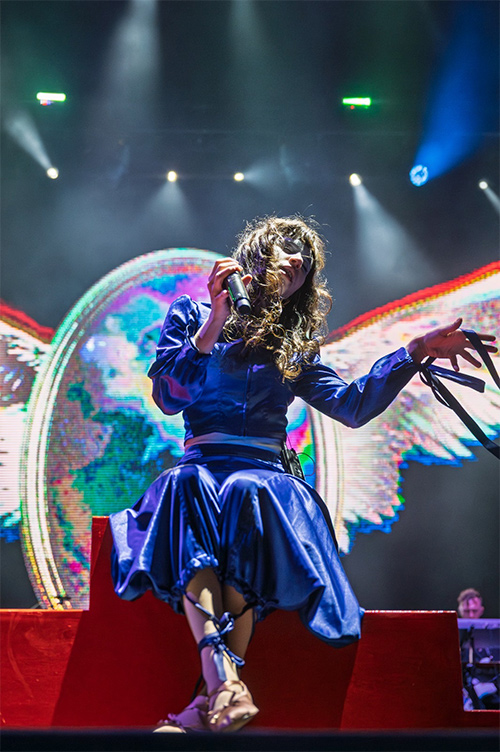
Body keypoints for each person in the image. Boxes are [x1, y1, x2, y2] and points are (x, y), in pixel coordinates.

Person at [109, 215, 497, 733]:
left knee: (247, 492)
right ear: (256, 254)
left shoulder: (295, 345)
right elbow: (169, 397)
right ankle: (222, 688)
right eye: (289, 247)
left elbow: (351, 406)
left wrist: (414, 352)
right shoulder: (192, 314)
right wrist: (213, 324)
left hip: (265, 473)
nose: (299, 261)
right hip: (202, 464)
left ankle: (214, 693)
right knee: (186, 483)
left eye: (308, 261)